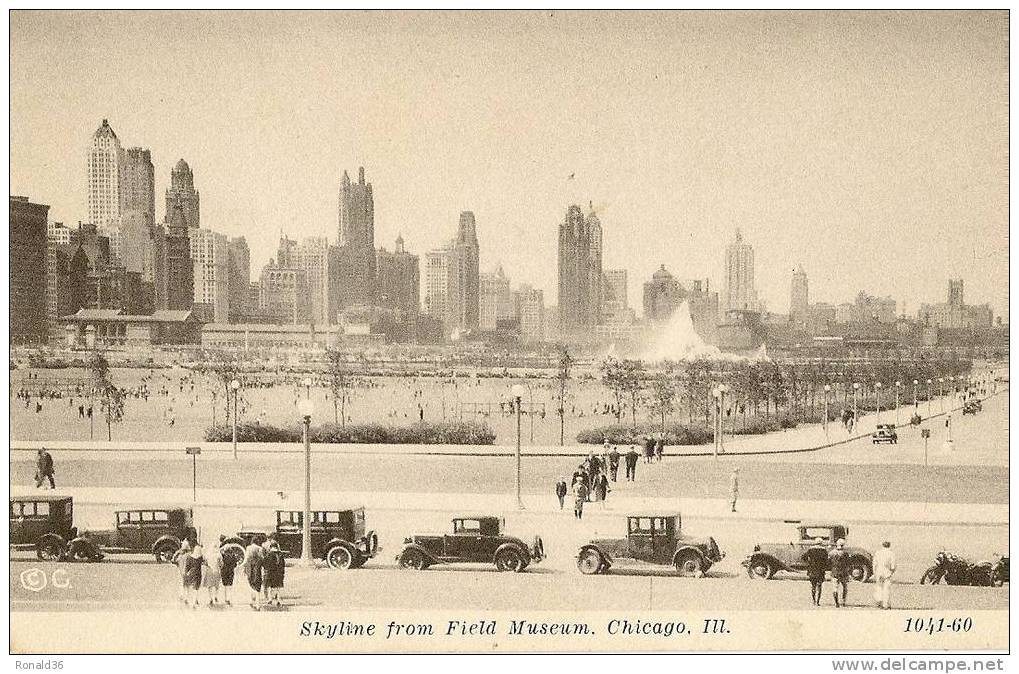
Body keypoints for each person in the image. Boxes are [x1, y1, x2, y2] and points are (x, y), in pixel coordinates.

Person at [804, 537, 830, 606]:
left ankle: (813, 601)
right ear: (821, 543)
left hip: (812, 570)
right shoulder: (824, 550)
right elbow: (827, 561)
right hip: (820, 571)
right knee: (819, 586)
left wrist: (809, 562)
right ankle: (818, 602)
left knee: (813, 586)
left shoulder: (810, 549)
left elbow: (803, 557)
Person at [242, 536, 266, 610]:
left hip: (250, 568)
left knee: (251, 584)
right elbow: (262, 558)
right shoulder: (260, 548)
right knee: (258, 586)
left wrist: (243, 567)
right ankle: (258, 605)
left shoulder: (248, 548)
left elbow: (246, 559)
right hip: (257, 568)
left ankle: (252, 600)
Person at [873, 541, 897, 609]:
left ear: (882, 545)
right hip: (887, 572)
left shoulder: (878, 552)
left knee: (879, 588)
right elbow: (893, 566)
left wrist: (875, 572)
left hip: (879, 572)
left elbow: (874, 564)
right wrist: (891, 572)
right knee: (886, 589)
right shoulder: (891, 554)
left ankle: (879, 602)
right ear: (889, 546)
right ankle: (885, 604)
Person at [262, 541, 286, 607]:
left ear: (271, 547)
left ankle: (270, 599)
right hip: (279, 573)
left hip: (270, 573)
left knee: (270, 587)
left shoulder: (269, 554)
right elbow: (283, 564)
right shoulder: (280, 554)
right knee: (277, 587)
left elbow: (264, 564)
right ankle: (278, 600)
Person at [828, 538, 850, 608]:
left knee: (835, 588)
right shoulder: (845, 553)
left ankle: (836, 603)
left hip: (834, 572)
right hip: (843, 572)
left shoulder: (831, 553)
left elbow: (829, 563)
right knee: (845, 587)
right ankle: (843, 601)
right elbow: (848, 563)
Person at [183, 544, 205, 608]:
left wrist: (186, 573)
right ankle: (194, 602)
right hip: (198, 573)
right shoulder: (200, 558)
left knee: (189, 587)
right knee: (196, 589)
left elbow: (187, 567)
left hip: (191, 573)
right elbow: (204, 560)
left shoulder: (189, 557)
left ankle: (188, 599)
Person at [219, 536, 238, 606]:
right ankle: (228, 599)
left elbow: (220, 563)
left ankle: (225, 598)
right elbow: (235, 565)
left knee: (225, 585)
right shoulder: (233, 556)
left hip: (224, 571)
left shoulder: (223, 555)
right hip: (231, 571)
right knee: (230, 585)